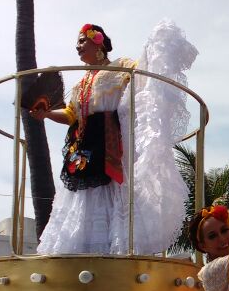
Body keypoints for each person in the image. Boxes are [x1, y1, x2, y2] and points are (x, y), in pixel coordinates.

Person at [30, 22, 195, 255]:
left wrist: (157, 48)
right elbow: (70, 115)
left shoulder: (122, 67)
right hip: (83, 147)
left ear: (97, 41)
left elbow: (143, 80)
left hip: (110, 144)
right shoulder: (79, 84)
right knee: (83, 198)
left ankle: (114, 249)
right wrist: (45, 114)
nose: (77, 48)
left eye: (81, 41)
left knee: (114, 193)